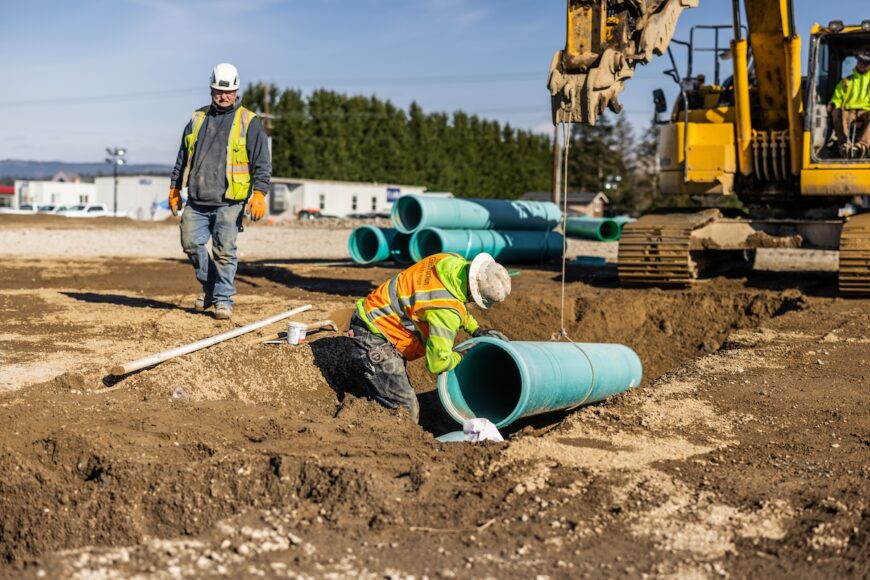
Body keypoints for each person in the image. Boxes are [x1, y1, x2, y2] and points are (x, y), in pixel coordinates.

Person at [348, 252, 511, 422]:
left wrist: (475, 330)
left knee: (389, 390)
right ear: (475, 294)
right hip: (375, 336)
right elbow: (436, 363)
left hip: (375, 312)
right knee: (405, 410)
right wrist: (463, 356)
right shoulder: (446, 312)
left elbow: (453, 301)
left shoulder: (449, 260)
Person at [168, 63, 271, 320]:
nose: (223, 96)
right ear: (211, 89)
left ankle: (223, 299)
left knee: (224, 251)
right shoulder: (197, 118)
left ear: (237, 90)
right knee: (191, 244)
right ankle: (212, 289)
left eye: (228, 92)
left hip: (230, 201)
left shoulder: (249, 121)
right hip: (197, 199)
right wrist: (174, 187)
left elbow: (261, 161)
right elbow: (182, 157)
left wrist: (260, 193)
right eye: (217, 91)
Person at [828, 49, 870, 159]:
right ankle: (844, 145)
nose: (862, 65)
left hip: (866, 111)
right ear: (857, 62)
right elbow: (837, 98)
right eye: (860, 61)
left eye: (866, 63)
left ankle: (862, 146)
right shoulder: (846, 81)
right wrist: (833, 105)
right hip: (848, 111)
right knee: (837, 112)